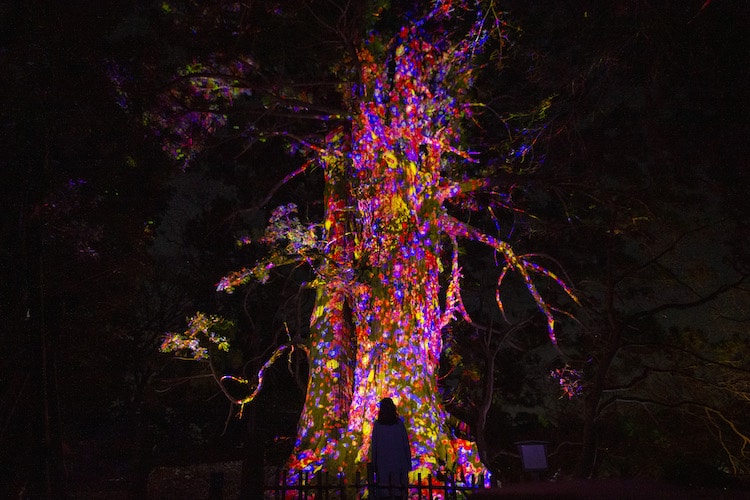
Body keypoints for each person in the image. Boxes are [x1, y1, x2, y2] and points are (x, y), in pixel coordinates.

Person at [370, 397, 412, 499]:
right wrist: (408, 462)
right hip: (399, 463)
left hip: (383, 464)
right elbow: (405, 444)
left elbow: (374, 447)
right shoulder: (398, 425)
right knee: (398, 491)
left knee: (385, 492)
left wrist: (374, 464)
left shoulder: (378, 426)